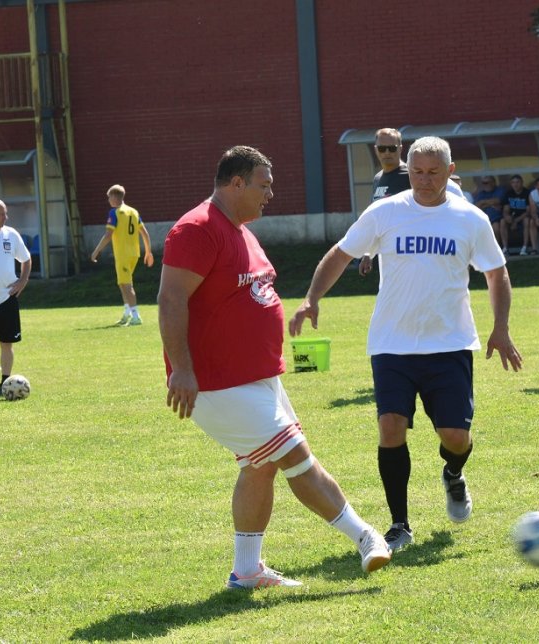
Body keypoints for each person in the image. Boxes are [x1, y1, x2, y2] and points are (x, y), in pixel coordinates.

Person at [157, 145, 390, 589]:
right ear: (236, 183)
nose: (270, 194)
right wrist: (181, 369)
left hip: (257, 378)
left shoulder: (242, 230)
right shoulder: (197, 228)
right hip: (216, 383)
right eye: (263, 185)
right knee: (296, 458)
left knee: (259, 466)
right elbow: (171, 299)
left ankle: (247, 571)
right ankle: (366, 537)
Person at [289, 136, 523, 552]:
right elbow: (342, 253)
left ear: (450, 172)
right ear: (407, 170)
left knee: (455, 437)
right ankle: (399, 524)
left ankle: (453, 473)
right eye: (417, 171)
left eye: (434, 172)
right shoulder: (385, 213)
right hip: (392, 344)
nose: (424, 180)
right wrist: (312, 298)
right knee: (390, 428)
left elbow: (496, 273)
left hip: (449, 344)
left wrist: (500, 328)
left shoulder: (470, 219)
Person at [359, 128, 464, 276]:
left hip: (420, 251)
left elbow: (450, 191)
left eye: (392, 148)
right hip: (392, 255)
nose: (387, 153)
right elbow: (377, 221)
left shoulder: (413, 174)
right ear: (376, 150)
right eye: (382, 148)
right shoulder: (378, 179)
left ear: (400, 148)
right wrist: (368, 253)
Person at [0, 198, 31, 397]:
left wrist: (23, 280)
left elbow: (26, 259)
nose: (6, 217)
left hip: (6, 299)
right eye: (2, 213)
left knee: (6, 343)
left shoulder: (11, 234)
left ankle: (4, 384)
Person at [90, 185, 154, 325]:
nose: (108, 200)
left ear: (114, 196)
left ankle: (136, 316)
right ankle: (127, 313)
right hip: (134, 253)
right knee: (122, 283)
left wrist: (96, 251)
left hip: (123, 254)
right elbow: (145, 233)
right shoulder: (134, 211)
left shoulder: (115, 213)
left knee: (126, 285)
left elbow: (108, 235)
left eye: (109, 197)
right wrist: (148, 252)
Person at [499, 174, 531, 255]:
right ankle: (505, 248)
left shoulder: (527, 193)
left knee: (527, 221)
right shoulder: (509, 193)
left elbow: (528, 211)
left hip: (523, 216)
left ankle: (524, 248)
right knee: (502, 221)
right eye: (513, 182)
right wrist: (506, 216)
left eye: (517, 182)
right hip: (512, 217)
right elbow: (506, 209)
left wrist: (515, 221)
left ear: (522, 183)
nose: (515, 184)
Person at [473, 176, 505, 244]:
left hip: (496, 219)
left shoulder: (499, 190)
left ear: (493, 183)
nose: (484, 185)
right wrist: (490, 204)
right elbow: (477, 206)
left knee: (495, 228)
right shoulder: (481, 193)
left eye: (486, 183)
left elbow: (497, 200)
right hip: (483, 220)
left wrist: (483, 203)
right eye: (483, 183)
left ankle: (497, 249)